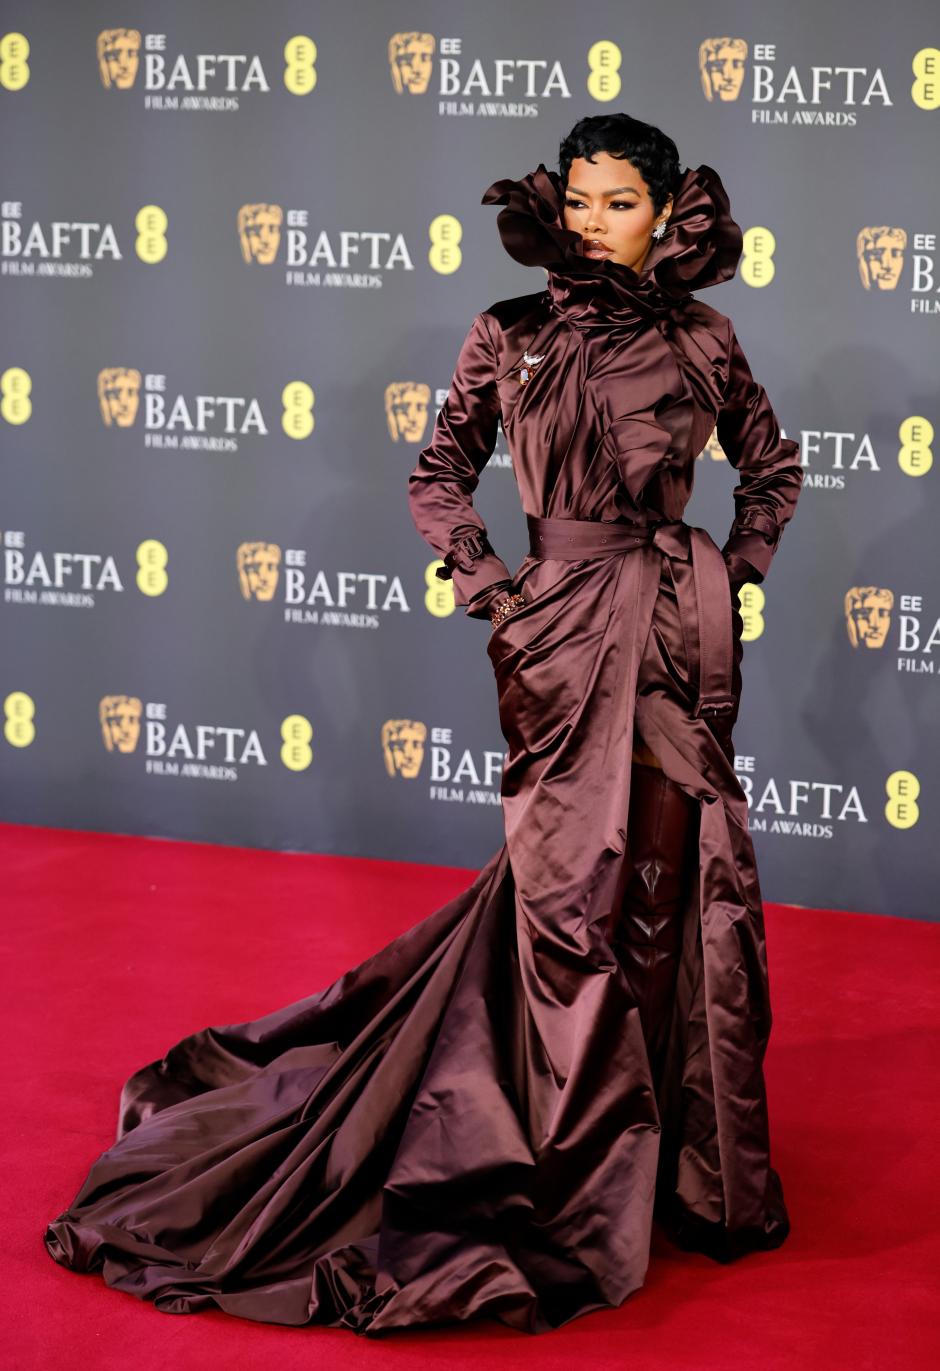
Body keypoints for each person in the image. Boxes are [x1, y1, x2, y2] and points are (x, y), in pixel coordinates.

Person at [43, 114, 804, 1336]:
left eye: (620, 202)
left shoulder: (704, 337)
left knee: (670, 883)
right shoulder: (509, 333)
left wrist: (737, 571)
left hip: (670, 639)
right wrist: (493, 586)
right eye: (580, 201)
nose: (593, 221)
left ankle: (671, 1163)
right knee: (567, 905)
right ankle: (544, 1164)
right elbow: (436, 472)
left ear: (667, 212)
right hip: (554, 638)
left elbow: (772, 466)